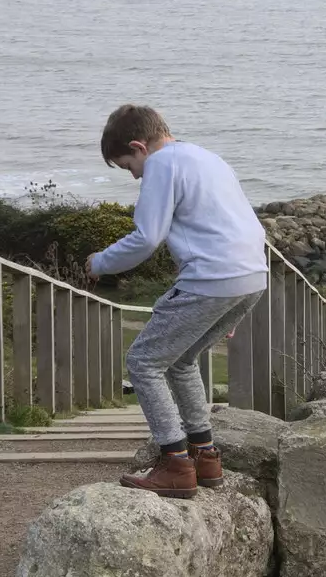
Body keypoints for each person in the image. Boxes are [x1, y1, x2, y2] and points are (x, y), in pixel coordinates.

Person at [87, 105, 268, 498]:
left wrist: (100, 262)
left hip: (212, 278)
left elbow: (147, 238)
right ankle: (205, 455)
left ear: (140, 146)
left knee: (143, 362)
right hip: (252, 275)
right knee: (182, 361)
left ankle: (175, 463)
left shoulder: (161, 164)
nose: (134, 175)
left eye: (129, 165)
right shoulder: (207, 157)